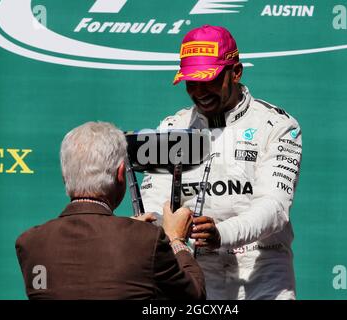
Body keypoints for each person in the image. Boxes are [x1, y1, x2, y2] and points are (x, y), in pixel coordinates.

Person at [141, 25, 302, 300]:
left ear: (236, 72)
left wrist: (220, 234)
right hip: (196, 269)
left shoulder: (276, 125)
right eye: (192, 82)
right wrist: (154, 223)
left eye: (209, 80)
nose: (200, 91)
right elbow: (155, 202)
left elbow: (274, 208)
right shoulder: (171, 128)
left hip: (262, 271)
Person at [15, 121, 206, 300]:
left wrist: (130, 235)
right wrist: (176, 240)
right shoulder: (147, 240)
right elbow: (193, 296)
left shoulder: (30, 244)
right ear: (121, 174)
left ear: (66, 176)